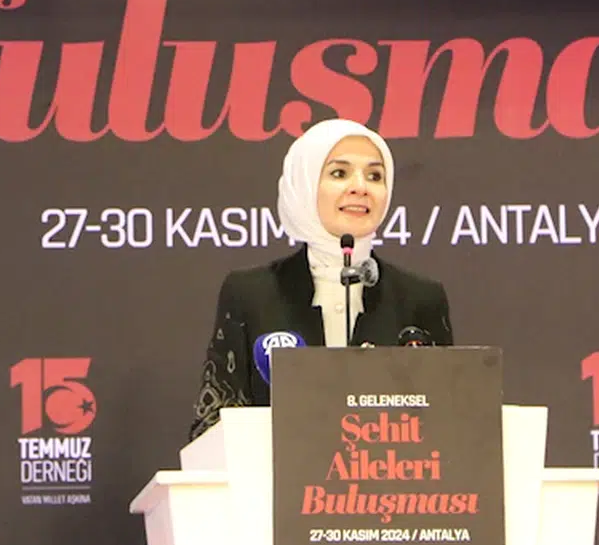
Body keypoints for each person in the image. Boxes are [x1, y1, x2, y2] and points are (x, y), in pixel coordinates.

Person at [187, 118, 454, 442]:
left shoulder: (421, 298)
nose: (360, 187)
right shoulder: (251, 293)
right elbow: (213, 426)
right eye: (339, 173)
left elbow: (449, 423)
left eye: (375, 176)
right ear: (304, 184)